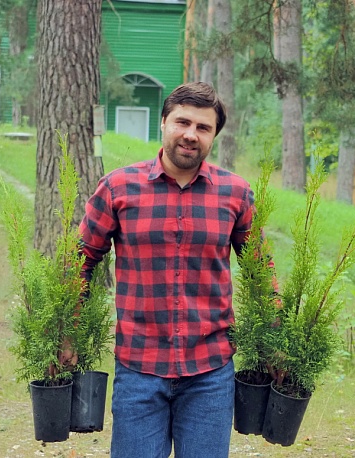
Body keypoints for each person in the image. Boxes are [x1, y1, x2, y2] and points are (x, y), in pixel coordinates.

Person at [78, 82, 266, 457]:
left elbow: (262, 274)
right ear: (163, 123)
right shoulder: (118, 188)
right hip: (138, 369)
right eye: (182, 122)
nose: (190, 135)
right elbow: (77, 264)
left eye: (203, 127)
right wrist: (66, 333)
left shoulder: (236, 194)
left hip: (210, 374)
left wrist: (276, 345)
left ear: (214, 136)